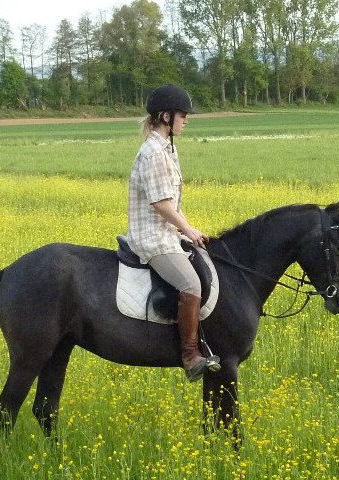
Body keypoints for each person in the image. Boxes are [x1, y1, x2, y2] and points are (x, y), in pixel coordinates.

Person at [126, 84, 219, 382]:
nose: (187, 120)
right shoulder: (154, 152)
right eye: (183, 115)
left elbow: (173, 202)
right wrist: (187, 229)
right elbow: (162, 204)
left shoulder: (166, 149)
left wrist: (190, 229)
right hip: (153, 238)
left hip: (167, 233)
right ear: (166, 116)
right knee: (191, 285)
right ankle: (190, 355)